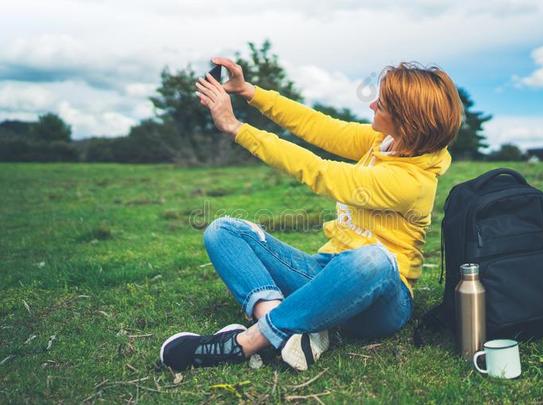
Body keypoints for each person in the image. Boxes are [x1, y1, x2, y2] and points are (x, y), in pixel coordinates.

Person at [159, 57, 463, 372]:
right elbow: (315, 126)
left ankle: (247, 343)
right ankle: (287, 331)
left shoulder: (413, 183)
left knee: (373, 258)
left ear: (407, 120)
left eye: (382, 104)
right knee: (223, 230)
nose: (372, 104)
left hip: (381, 298)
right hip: (325, 272)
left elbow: (319, 171)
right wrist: (249, 91)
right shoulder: (386, 142)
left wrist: (237, 128)